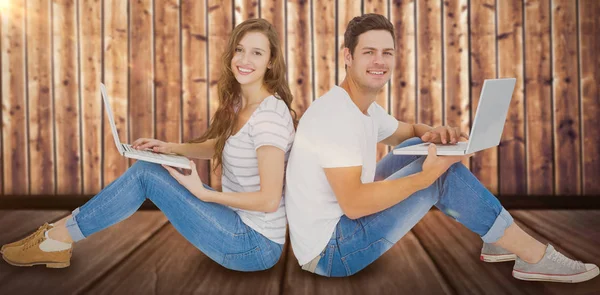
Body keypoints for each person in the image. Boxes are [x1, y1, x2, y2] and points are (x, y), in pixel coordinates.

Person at [284, 13, 598, 283]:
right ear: (347, 56)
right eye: (368, 52)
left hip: (334, 228)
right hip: (330, 253)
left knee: (417, 146)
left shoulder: (361, 108)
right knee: (437, 175)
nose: (379, 61)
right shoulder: (336, 117)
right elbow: (353, 204)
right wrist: (424, 178)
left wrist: (434, 134)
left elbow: (409, 132)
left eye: (387, 52)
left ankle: (498, 239)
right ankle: (533, 255)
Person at [2, 18, 296, 272]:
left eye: (256, 53)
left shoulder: (268, 117)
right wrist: (170, 148)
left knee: (146, 174)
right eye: (240, 50)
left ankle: (56, 238)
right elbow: (225, 146)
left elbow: (268, 200)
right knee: (150, 167)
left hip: (253, 246)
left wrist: (202, 194)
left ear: (270, 61)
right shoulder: (244, 102)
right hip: (238, 225)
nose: (245, 60)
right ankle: (56, 235)